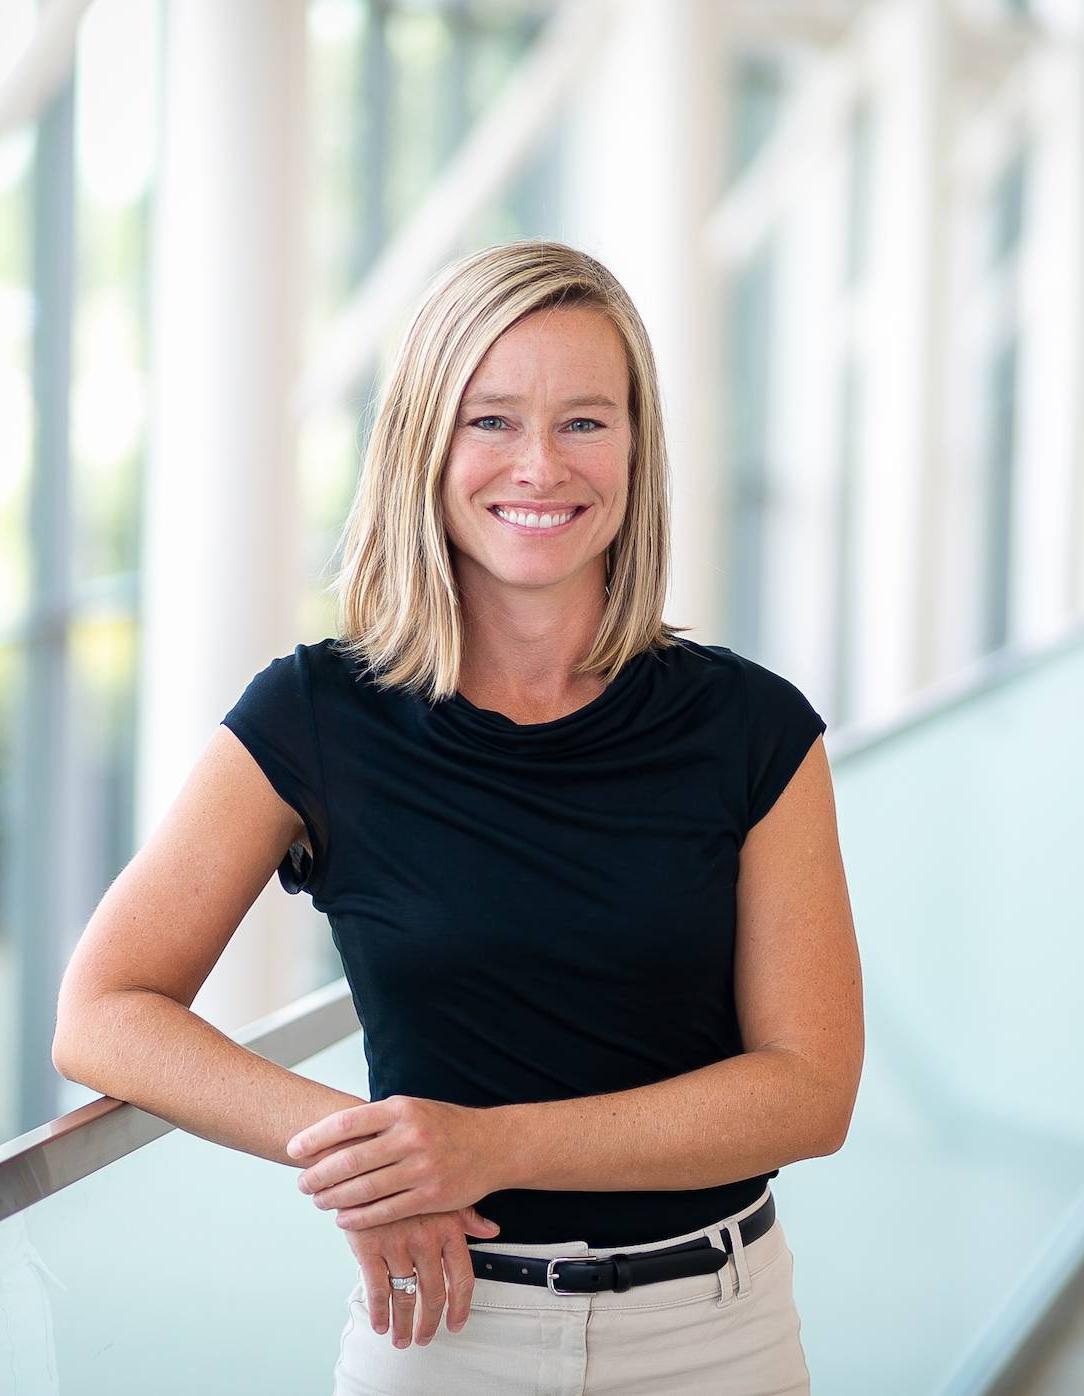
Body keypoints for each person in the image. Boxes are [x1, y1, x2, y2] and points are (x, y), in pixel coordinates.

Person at [54, 239, 863, 1395]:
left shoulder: (752, 727)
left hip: (716, 1334)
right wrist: (371, 1164)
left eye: (584, 421)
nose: (539, 464)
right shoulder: (317, 713)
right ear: (424, 445)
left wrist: (492, 1144)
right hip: (440, 1335)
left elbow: (809, 1088)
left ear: (636, 448)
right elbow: (100, 1012)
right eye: (491, 421)